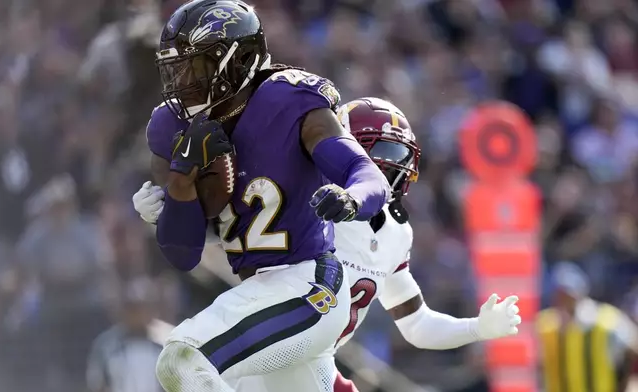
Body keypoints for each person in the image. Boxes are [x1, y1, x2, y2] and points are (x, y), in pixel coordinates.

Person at [135, 96, 522, 391]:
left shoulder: (394, 232)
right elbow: (234, 232)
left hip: (316, 358)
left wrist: (477, 328)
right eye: (383, 153)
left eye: (399, 155)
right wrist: (171, 209)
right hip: (273, 344)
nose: (392, 167)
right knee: (185, 363)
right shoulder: (308, 192)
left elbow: (416, 323)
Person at [133, 1, 390, 391]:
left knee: (183, 359)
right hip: (258, 294)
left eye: (196, 66)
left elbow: (365, 173)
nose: (182, 81)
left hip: (307, 285)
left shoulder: (289, 101)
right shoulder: (171, 126)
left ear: (238, 61)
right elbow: (182, 254)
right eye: (176, 68)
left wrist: (352, 197)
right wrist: (180, 186)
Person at [536, 261, 638, 392]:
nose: (562, 300)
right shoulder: (545, 325)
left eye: (566, 295)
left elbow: (632, 349)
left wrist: (622, 385)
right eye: (558, 296)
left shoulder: (606, 321)